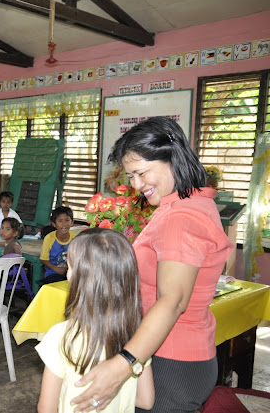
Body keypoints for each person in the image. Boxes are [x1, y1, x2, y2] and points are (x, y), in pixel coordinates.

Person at [70, 116, 234, 412]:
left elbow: (173, 301)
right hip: (175, 352)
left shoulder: (180, 218)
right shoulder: (190, 204)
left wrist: (123, 364)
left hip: (172, 359)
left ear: (171, 158)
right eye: (130, 177)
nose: (136, 185)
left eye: (141, 173)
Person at [36, 228, 154, 413]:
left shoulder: (60, 336)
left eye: (70, 266)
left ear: (80, 278)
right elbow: (145, 400)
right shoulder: (138, 337)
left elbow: (46, 409)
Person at [40, 207, 75, 284]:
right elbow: (43, 259)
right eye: (60, 221)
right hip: (53, 273)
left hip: (70, 273)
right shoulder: (49, 238)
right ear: (54, 224)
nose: (64, 224)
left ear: (72, 222)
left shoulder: (75, 238)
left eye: (67, 220)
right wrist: (56, 269)